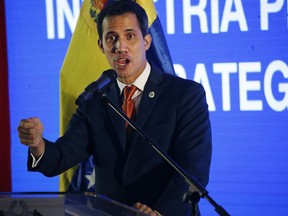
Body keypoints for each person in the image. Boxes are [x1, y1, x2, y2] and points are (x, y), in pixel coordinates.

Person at [17, 0, 212, 215]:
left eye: (130, 36)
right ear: (101, 45)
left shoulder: (185, 95)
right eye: (112, 38)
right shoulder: (95, 99)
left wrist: (159, 212)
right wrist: (37, 144)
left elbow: (193, 171)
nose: (120, 47)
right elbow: (61, 157)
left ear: (146, 41)